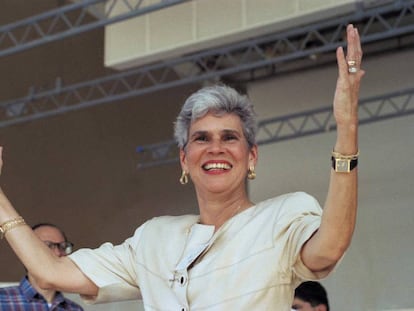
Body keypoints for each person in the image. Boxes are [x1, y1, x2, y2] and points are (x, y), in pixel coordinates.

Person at [0, 24, 364, 310]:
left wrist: (346, 131)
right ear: (183, 159)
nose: (215, 148)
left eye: (229, 137)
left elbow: (329, 247)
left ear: (251, 156)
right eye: (201, 138)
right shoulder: (155, 240)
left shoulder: (282, 218)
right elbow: (51, 270)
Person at [0, 223, 83, 311]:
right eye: (48, 246)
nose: (58, 253)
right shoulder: (2, 300)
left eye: (63, 246)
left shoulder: (74, 309)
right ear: (26, 252)